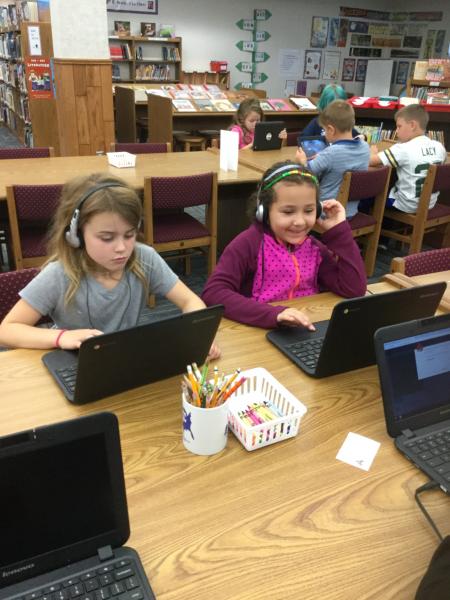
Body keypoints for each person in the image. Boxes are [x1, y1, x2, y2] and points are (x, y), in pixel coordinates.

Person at [0, 173, 220, 358]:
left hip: (126, 356)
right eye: (107, 238)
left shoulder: (144, 258)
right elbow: (7, 330)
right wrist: (62, 337)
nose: (122, 248)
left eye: (130, 234)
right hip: (74, 359)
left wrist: (198, 336)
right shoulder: (59, 274)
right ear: (76, 234)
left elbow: (190, 300)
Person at [201, 162, 366, 329]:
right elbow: (213, 293)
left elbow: (353, 289)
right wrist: (274, 314)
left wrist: (339, 232)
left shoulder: (315, 248)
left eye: (309, 211)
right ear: (263, 211)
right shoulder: (247, 244)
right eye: (288, 212)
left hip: (305, 327)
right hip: (258, 330)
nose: (300, 222)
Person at [296, 99, 370, 217]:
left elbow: (307, 174)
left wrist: (302, 161)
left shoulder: (331, 153)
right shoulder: (365, 148)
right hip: (350, 212)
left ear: (331, 129)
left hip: (327, 212)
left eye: (325, 130)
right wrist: (323, 156)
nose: (324, 133)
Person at [369, 104, 447, 213]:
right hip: (430, 204)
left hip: (405, 205)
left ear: (412, 125)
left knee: (369, 195)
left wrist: (372, 151)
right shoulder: (439, 147)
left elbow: (370, 161)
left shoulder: (403, 148)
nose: (396, 131)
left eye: (399, 126)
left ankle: (372, 227)